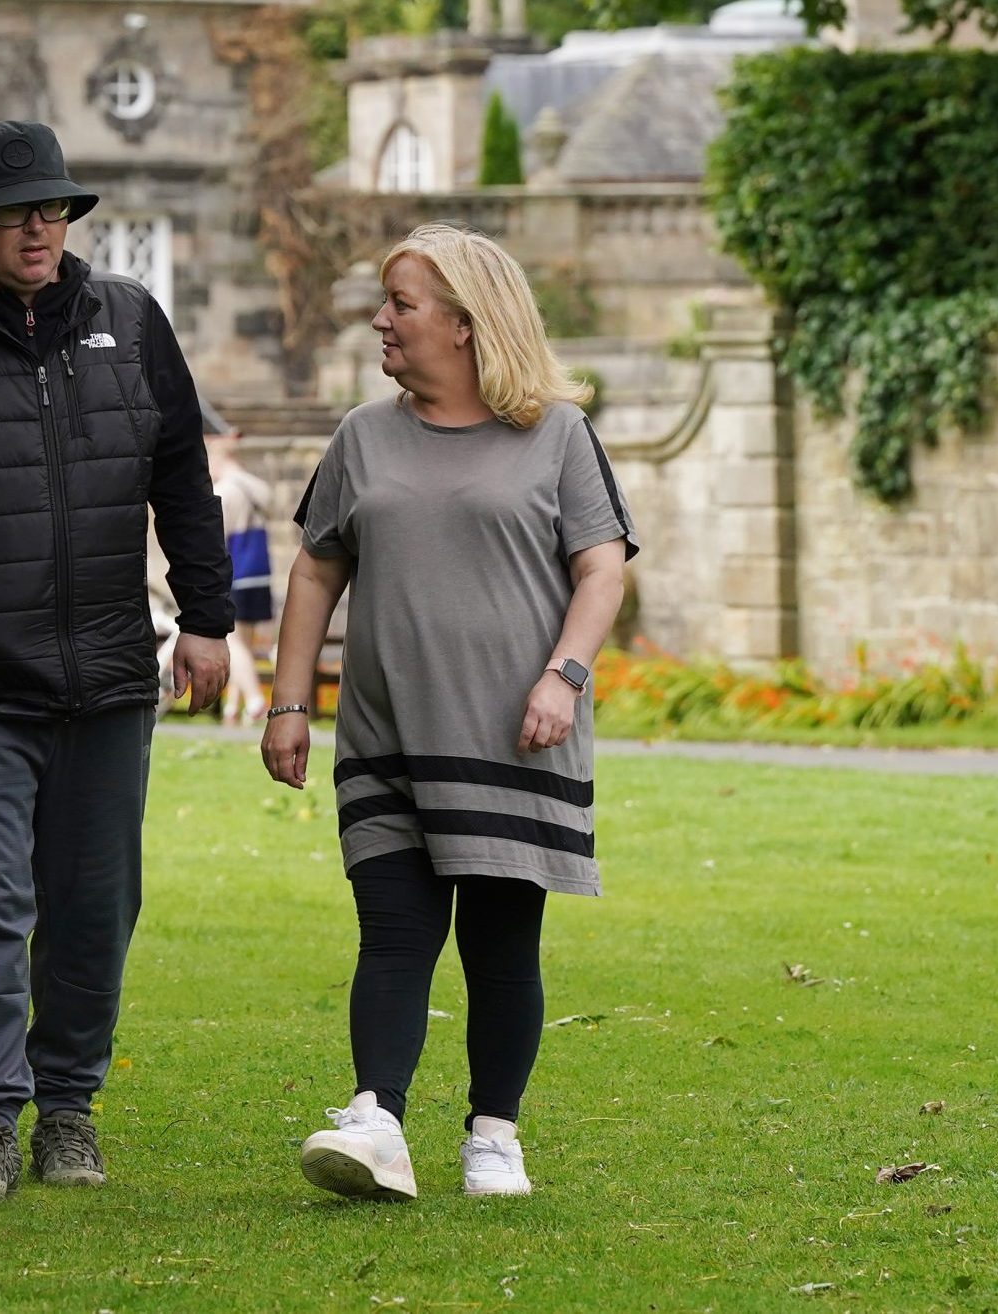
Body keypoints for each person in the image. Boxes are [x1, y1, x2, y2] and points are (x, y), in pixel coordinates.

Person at [0, 120, 233, 1203]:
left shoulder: (132, 324)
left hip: (109, 674)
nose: (38, 228)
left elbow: (183, 477)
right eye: (17, 212)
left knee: (93, 905)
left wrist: (205, 615)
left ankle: (68, 1108)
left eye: (53, 208)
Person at [260, 223, 636, 1201]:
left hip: (517, 736)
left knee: (500, 944)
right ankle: (376, 1120)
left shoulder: (556, 434)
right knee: (390, 929)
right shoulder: (361, 438)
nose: (381, 321)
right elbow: (314, 571)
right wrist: (288, 703)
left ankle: (492, 1137)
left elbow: (601, 570)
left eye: (401, 305)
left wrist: (564, 675)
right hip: (385, 734)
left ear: (466, 325)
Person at [200, 401, 275, 726]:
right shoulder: (254, 489)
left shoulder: (226, 491)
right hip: (260, 573)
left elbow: (217, 537)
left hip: (237, 573)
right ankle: (234, 708)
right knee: (242, 642)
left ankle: (256, 700)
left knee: (233, 642)